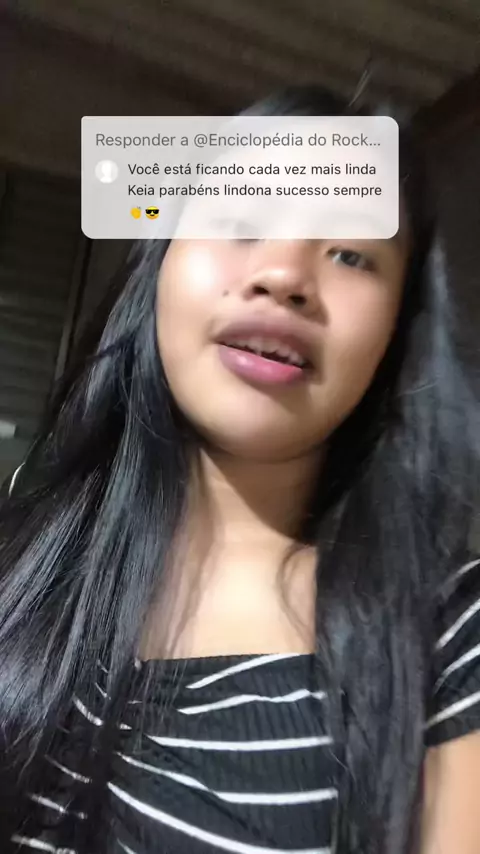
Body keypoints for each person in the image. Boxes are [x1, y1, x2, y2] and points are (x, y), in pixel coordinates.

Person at [0, 86, 479, 854]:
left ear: (396, 335)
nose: (284, 275)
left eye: (351, 253)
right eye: (240, 221)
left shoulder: (446, 630)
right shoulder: (18, 562)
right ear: (159, 270)